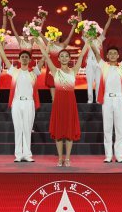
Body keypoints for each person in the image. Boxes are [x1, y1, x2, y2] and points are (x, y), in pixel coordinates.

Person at [37, 36, 88, 166]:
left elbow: (81, 56)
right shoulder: (55, 71)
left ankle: (68, 158)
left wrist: (87, 43)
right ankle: (60, 158)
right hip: (59, 103)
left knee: (69, 131)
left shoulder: (73, 70)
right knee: (59, 131)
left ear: (69, 59)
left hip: (70, 103)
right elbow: (46, 56)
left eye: (66, 56)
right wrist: (39, 43)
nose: (64, 58)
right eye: (62, 56)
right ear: (58, 58)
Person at [0, 46, 44, 163]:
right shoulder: (15, 71)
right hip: (17, 103)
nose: (24, 58)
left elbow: (44, 59)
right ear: (19, 59)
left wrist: (48, 46)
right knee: (18, 129)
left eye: (26, 57)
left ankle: (27, 155)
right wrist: (0, 45)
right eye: (22, 57)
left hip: (29, 102)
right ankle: (18, 155)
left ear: (30, 60)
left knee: (27, 129)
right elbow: (4, 58)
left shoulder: (33, 72)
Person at [89, 37, 122, 163]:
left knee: (119, 128)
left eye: (115, 53)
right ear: (107, 55)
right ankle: (108, 155)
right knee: (107, 128)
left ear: (118, 56)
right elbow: (96, 54)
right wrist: (90, 41)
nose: (112, 55)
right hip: (107, 99)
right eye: (110, 53)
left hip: (120, 99)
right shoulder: (104, 66)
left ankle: (119, 156)